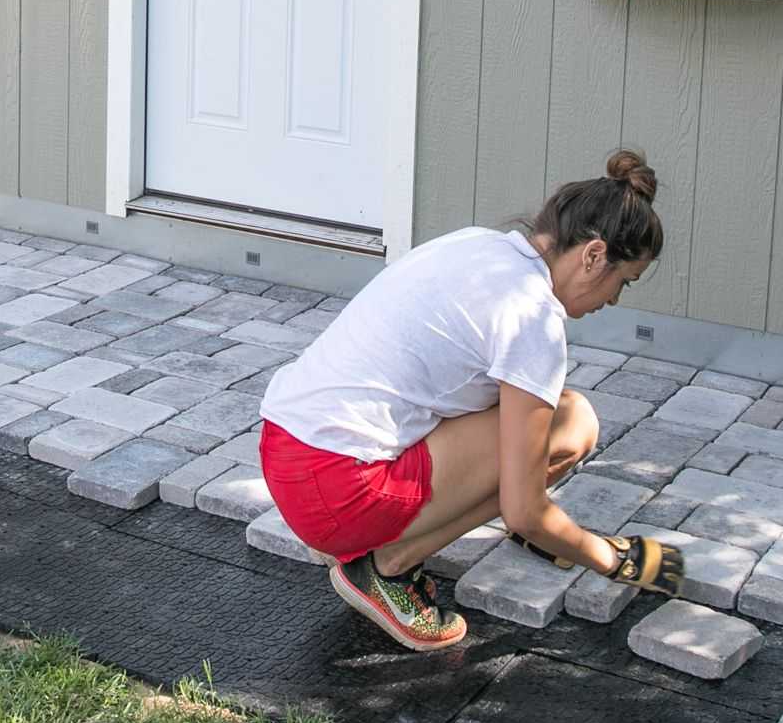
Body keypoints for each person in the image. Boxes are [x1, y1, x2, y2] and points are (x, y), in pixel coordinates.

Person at [256, 150, 686, 650]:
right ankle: (388, 569)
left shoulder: (477, 245)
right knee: (573, 427)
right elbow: (524, 510)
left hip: (285, 451)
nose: (613, 300)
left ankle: (400, 538)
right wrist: (617, 558)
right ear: (593, 255)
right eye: (622, 282)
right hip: (337, 493)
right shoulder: (534, 319)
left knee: (553, 410)